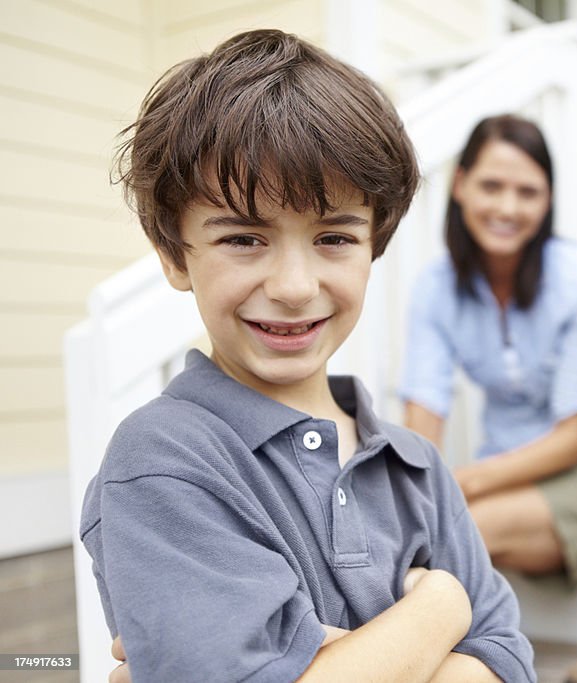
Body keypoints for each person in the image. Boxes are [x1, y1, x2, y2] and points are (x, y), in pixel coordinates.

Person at [79, 30, 534, 682]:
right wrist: (439, 609)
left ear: (374, 244)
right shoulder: (163, 459)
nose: (294, 286)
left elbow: (510, 666)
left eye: (333, 236)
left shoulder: (417, 467)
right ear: (175, 254)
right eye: (243, 237)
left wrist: (336, 660)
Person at [400, 114, 577, 586]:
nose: (507, 207)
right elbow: (423, 412)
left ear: (549, 201)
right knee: (414, 531)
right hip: (502, 468)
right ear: (460, 185)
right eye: (492, 186)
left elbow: (573, 437)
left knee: (457, 535)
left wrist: (465, 483)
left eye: (528, 192)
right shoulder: (435, 288)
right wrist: (422, 489)